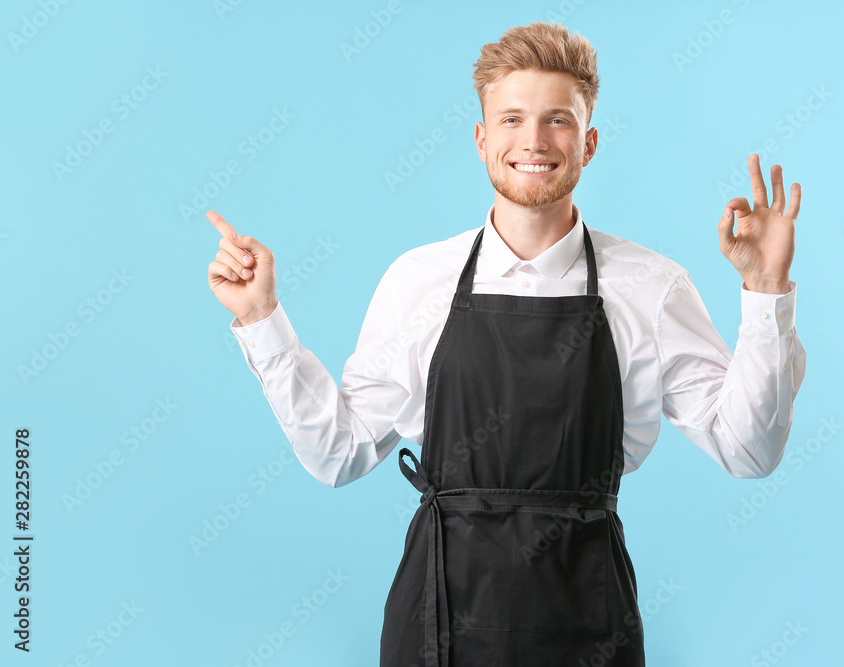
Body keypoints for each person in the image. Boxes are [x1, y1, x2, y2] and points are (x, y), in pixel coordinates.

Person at [204, 21, 805, 667]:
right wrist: (263, 317)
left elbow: (749, 450)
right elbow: (338, 454)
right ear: (482, 138)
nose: (534, 141)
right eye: (512, 118)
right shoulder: (419, 281)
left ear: (590, 141)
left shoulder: (652, 287)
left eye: (558, 121)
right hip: (439, 626)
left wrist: (766, 290)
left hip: (588, 628)